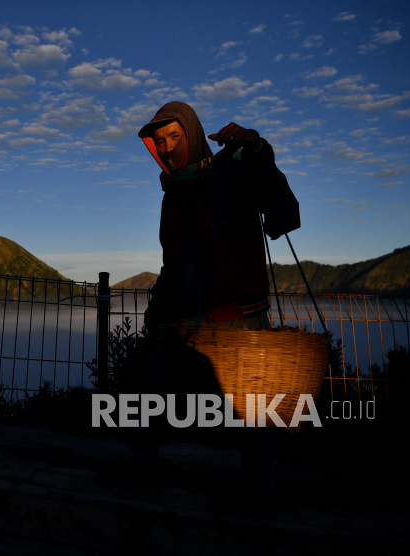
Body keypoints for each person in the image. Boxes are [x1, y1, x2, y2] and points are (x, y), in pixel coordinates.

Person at [131, 101, 300, 489]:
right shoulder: (171, 196)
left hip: (238, 316)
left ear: (192, 134)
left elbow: (284, 215)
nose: (168, 147)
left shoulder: (235, 174)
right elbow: (172, 261)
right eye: (160, 141)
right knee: (149, 386)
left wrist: (257, 147)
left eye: (176, 136)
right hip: (186, 318)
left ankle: (257, 488)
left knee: (251, 409)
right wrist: (159, 302)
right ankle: (141, 466)